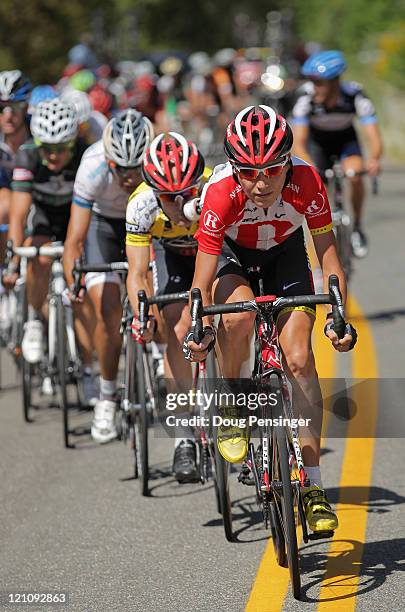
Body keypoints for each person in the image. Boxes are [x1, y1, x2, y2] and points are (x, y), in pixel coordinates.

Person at [184, 105, 358, 532]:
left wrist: (340, 316)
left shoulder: (308, 181)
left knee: (299, 359)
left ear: (287, 164)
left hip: (285, 258)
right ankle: (232, 403)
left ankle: (313, 487)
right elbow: (202, 279)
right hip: (232, 257)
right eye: (248, 171)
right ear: (233, 167)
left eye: (271, 171)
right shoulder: (221, 192)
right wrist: (199, 325)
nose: (261, 183)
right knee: (236, 321)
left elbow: (329, 257)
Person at [63, 109, 153, 443]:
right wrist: (75, 279)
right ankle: (107, 395)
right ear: (109, 160)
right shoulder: (92, 166)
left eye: (136, 169)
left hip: (147, 221)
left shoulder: (158, 160)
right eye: (122, 169)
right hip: (104, 227)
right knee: (108, 307)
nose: (129, 177)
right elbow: (74, 238)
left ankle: (158, 360)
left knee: (154, 297)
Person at [126, 131, 210, 482]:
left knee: (235, 315)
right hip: (171, 256)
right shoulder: (141, 204)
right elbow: (137, 272)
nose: (177, 206)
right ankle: (183, 438)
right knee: (177, 328)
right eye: (168, 198)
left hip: (212, 250)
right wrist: (141, 316)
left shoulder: (213, 187)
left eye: (185, 194)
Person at [4, 98, 97, 402]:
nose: (54, 155)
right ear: (37, 143)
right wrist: (15, 259)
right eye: (47, 148)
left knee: (81, 290)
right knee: (38, 255)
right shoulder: (27, 157)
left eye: (61, 148)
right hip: (43, 218)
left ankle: (87, 369)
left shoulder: (85, 154)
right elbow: (18, 215)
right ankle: (33, 319)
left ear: (74, 141)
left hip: (76, 219)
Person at [291, 50, 383, 258]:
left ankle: (358, 226)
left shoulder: (355, 96)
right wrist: (310, 168)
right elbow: (300, 144)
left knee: (355, 173)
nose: (314, 87)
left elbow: (374, 138)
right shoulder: (306, 98)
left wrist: (374, 159)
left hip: (345, 140)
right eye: (312, 81)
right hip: (317, 143)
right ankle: (322, 228)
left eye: (319, 82)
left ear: (335, 82)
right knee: (315, 180)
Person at [0, 71, 32, 263]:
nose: (8, 116)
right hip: (7, 192)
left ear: (26, 107)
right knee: (4, 205)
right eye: (2, 108)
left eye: (15, 107)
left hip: (33, 191)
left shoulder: (38, 132)